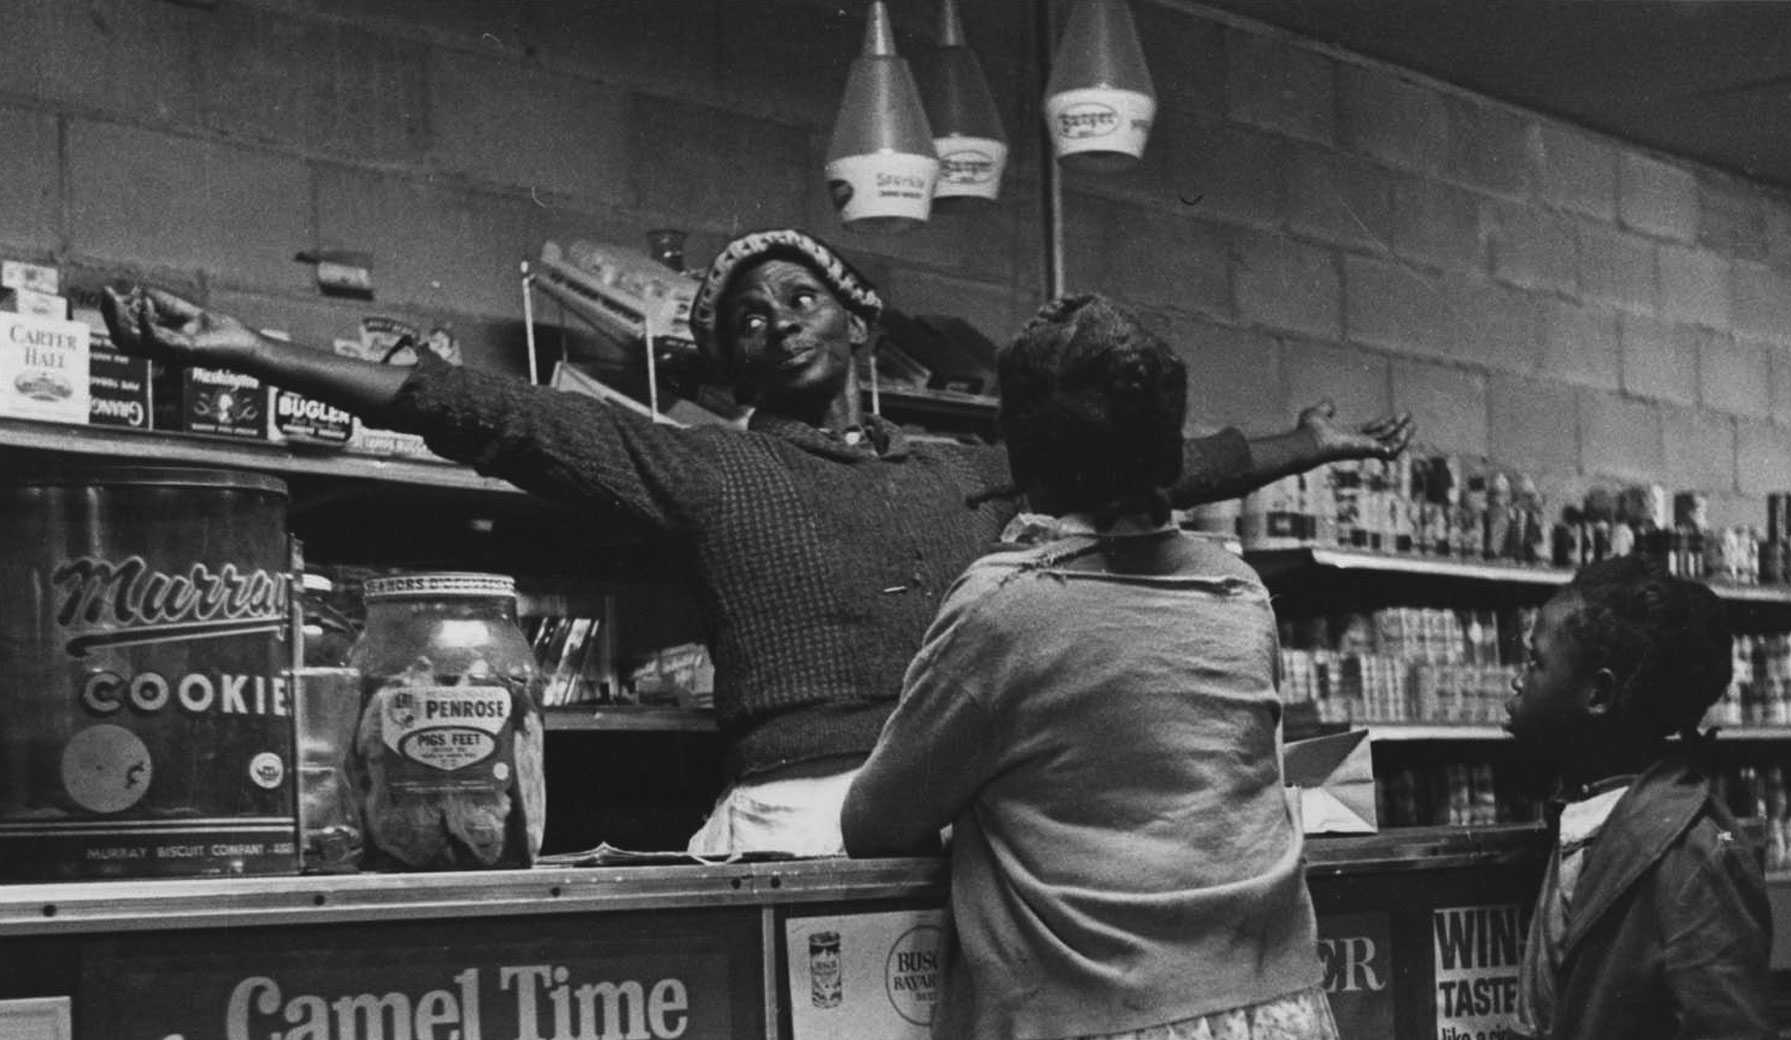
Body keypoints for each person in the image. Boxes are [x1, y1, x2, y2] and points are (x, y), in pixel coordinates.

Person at [102, 227, 1414, 859]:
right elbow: (494, 415)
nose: (769, 323)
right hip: (794, 813)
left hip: (962, 823)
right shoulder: (707, 463)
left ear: (856, 324)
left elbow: (1146, 460)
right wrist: (248, 348)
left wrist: (1304, 442)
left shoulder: (967, 469)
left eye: (797, 299)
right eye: (741, 318)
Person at [841, 294, 1388, 1040]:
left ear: (1016, 451)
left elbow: (877, 820)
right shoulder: (1235, 588)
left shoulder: (1007, 609)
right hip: (1274, 1032)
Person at [1452, 556, 1791, 1040]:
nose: (1517, 676)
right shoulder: (1592, 816)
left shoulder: (1689, 848)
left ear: (1599, 695)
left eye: (1535, 660)